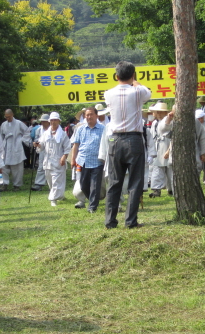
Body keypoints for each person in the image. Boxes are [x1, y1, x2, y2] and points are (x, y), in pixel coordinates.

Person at [104, 61, 152, 228]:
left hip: (114, 139)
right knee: (135, 181)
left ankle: (110, 221)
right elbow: (147, 93)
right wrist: (135, 82)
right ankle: (130, 221)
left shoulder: (108, 94)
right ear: (133, 75)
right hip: (134, 139)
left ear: (116, 76)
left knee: (114, 182)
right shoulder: (137, 92)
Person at [71, 107, 105, 213]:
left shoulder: (102, 129)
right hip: (83, 161)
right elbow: (75, 145)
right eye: (87, 115)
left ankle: (92, 206)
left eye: (91, 114)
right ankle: (92, 199)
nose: (89, 117)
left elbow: (106, 144)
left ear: (96, 116)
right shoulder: (80, 129)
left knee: (95, 185)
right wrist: (73, 159)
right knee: (83, 185)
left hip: (97, 161)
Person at [33, 112, 71, 206]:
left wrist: (64, 156)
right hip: (48, 161)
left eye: (55, 120)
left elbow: (67, 147)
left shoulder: (62, 134)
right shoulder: (46, 134)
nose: (53, 122)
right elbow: (41, 146)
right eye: (52, 120)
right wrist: (37, 145)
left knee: (57, 181)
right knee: (50, 181)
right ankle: (60, 195)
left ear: (59, 121)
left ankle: (53, 199)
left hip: (58, 161)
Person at [0, 109, 31, 192]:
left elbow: (27, 132)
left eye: (9, 117)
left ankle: (17, 185)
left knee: (17, 169)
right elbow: (0, 135)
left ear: (12, 114)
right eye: (6, 117)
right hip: (6, 147)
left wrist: (21, 140)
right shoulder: (3, 124)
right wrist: (1, 144)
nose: (7, 118)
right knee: (3, 168)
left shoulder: (19, 123)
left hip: (16, 145)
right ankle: (3, 184)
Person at [149, 102, 174, 198]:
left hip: (167, 146)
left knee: (170, 170)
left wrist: (169, 150)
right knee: (157, 169)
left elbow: (173, 137)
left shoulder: (169, 122)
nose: (159, 114)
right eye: (157, 112)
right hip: (157, 148)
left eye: (161, 112)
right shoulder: (154, 123)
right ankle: (156, 190)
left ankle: (171, 189)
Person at [31, 114, 50, 192]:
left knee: (52, 167)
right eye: (42, 121)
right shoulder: (39, 129)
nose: (42, 123)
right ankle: (38, 184)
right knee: (41, 166)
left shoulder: (52, 129)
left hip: (51, 150)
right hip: (42, 149)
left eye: (44, 121)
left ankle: (52, 185)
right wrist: (36, 143)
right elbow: (36, 138)